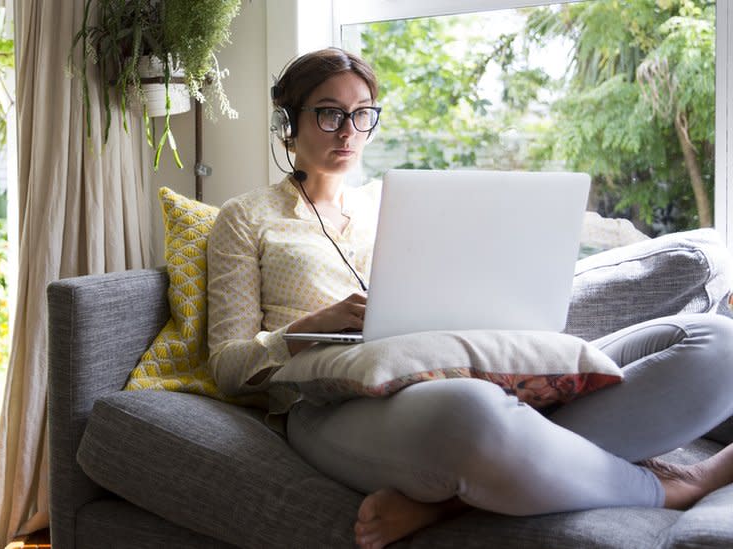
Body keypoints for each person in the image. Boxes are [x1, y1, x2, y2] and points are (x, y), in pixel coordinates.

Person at [205, 47, 733, 549]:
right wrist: (313, 325)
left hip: (461, 364)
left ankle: (453, 502)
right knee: (473, 414)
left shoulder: (396, 203)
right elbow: (228, 367)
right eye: (329, 114)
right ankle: (670, 486)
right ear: (286, 124)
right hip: (336, 400)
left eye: (363, 114)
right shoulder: (246, 217)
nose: (349, 132)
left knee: (716, 344)